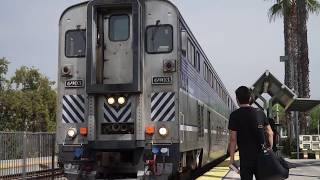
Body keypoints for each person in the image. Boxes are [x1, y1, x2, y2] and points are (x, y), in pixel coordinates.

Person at [228, 86, 274, 180]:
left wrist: (232, 159)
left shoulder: (234, 115)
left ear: (237, 99)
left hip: (245, 159)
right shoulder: (260, 113)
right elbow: (270, 133)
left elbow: (233, 140)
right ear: (249, 98)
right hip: (261, 157)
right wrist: (269, 149)